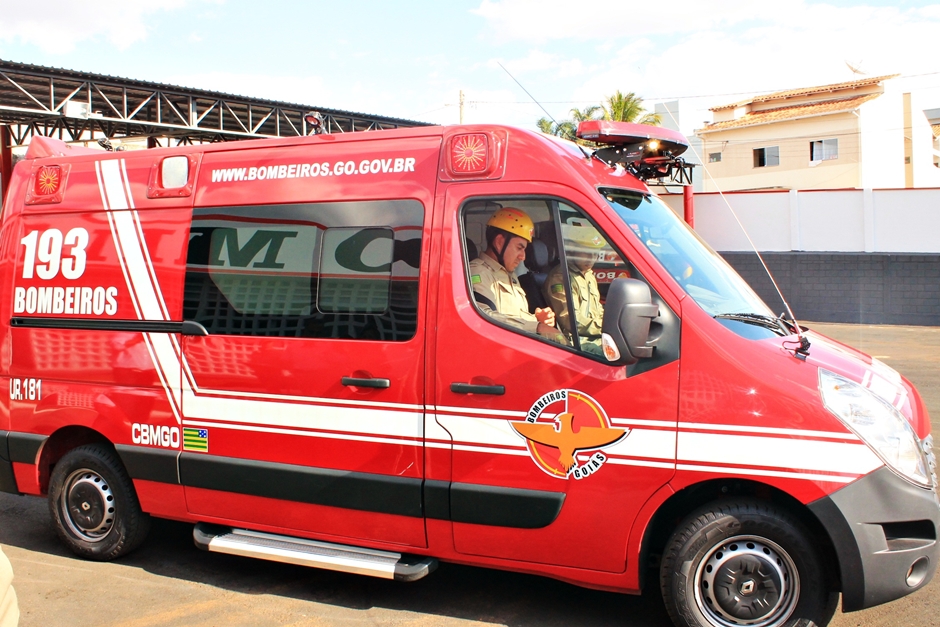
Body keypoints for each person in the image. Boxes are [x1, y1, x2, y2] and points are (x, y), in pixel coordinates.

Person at [469, 208, 565, 343]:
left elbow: (513, 318)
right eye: (519, 248)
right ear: (499, 242)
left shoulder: (510, 276)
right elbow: (483, 318)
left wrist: (537, 319)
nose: (523, 256)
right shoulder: (478, 272)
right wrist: (537, 327)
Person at [543, 225, 607, 355]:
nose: (591, 258)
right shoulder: (561, 277)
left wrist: (611, 323)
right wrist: (605, 327)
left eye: (595, 253)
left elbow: (598, 310)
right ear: (572, 250)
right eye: (587, 252)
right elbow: (571, 321)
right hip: (574, 342)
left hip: (594, 336)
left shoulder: (588, 275)